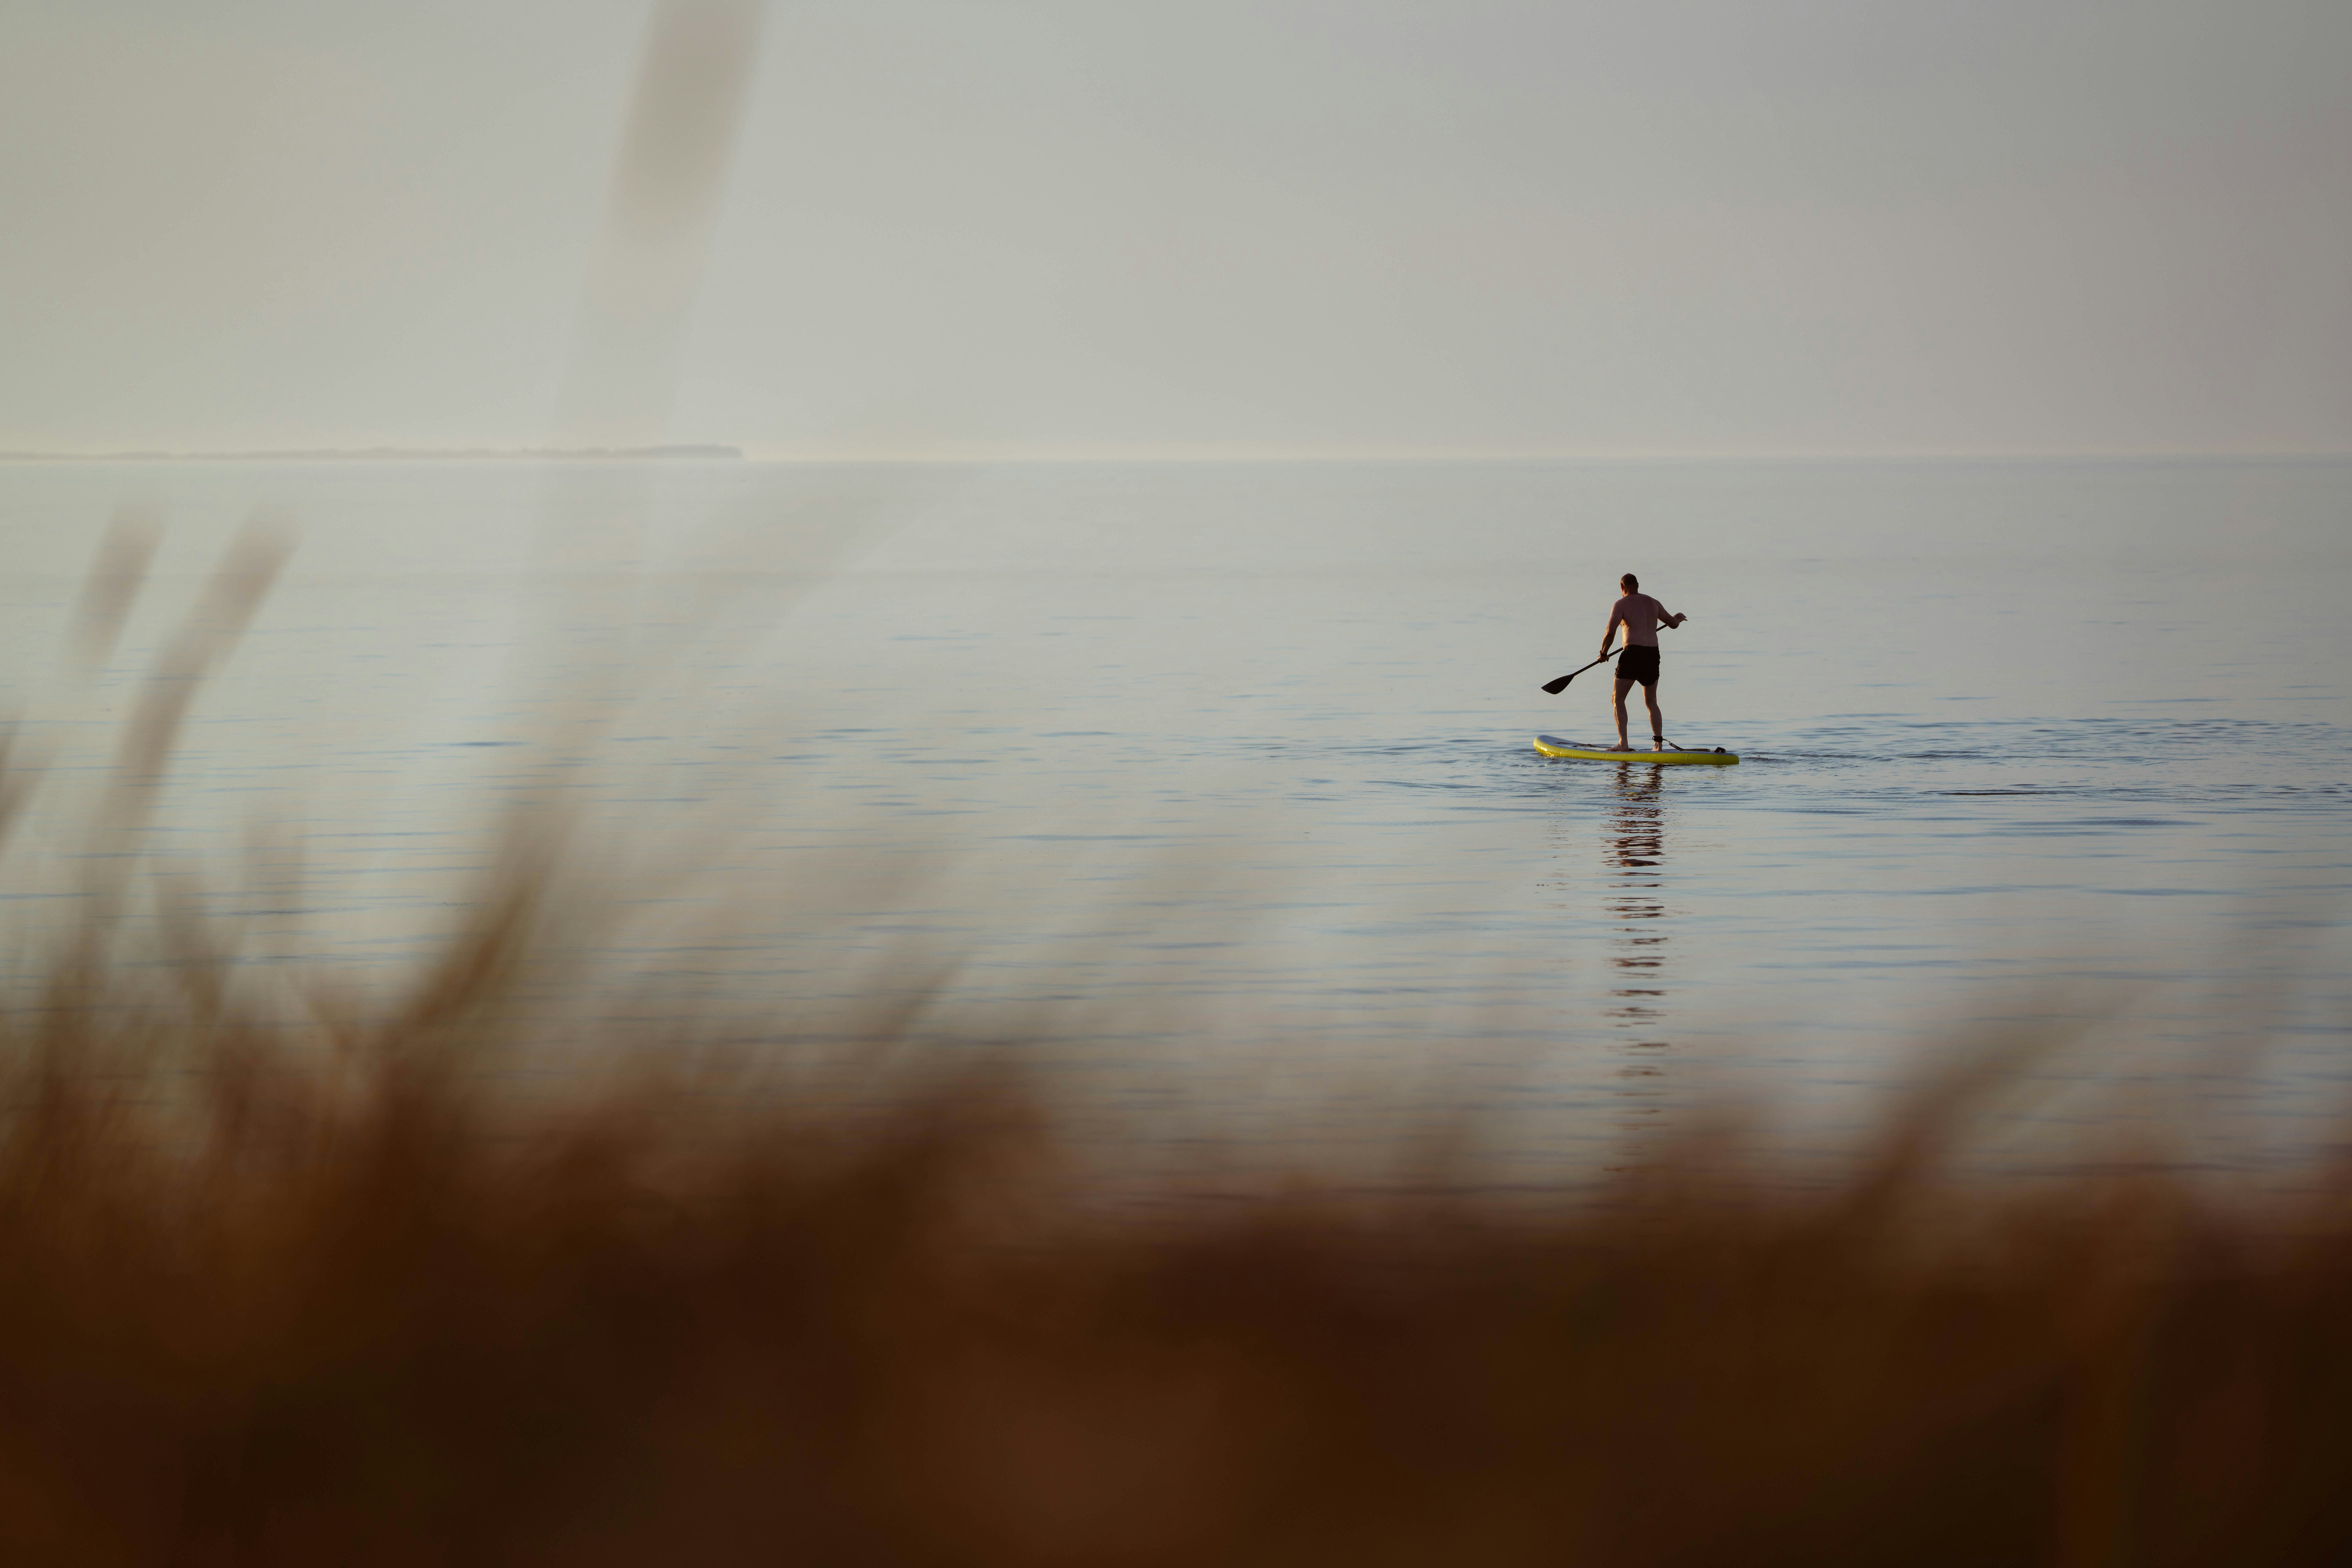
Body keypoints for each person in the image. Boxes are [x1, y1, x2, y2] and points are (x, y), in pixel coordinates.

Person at [1597, 572, 1686, 751]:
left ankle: (1623, 744)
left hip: (1633, 654)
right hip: (1653, 655)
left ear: (1622, 588)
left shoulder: (1621, 604)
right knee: (1652, 702)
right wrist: (1678, 618)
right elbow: (1673, 624)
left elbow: (1610, 632)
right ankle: (1658, 746)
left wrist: (1603, 653)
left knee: (1618, 699)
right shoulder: (1653, 603)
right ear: (1638, 585)